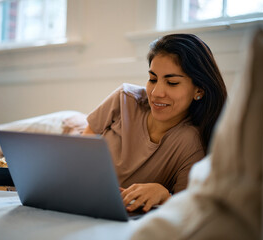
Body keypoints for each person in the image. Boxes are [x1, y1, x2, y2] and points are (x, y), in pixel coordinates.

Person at [82, 33, 227, 213]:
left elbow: (188, 208)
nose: (156, 92)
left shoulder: (191, 144)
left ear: (199, 90)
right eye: (152, 79)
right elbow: (79, 150)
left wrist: (165, 195)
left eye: (172, 82)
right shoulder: (125, 98)